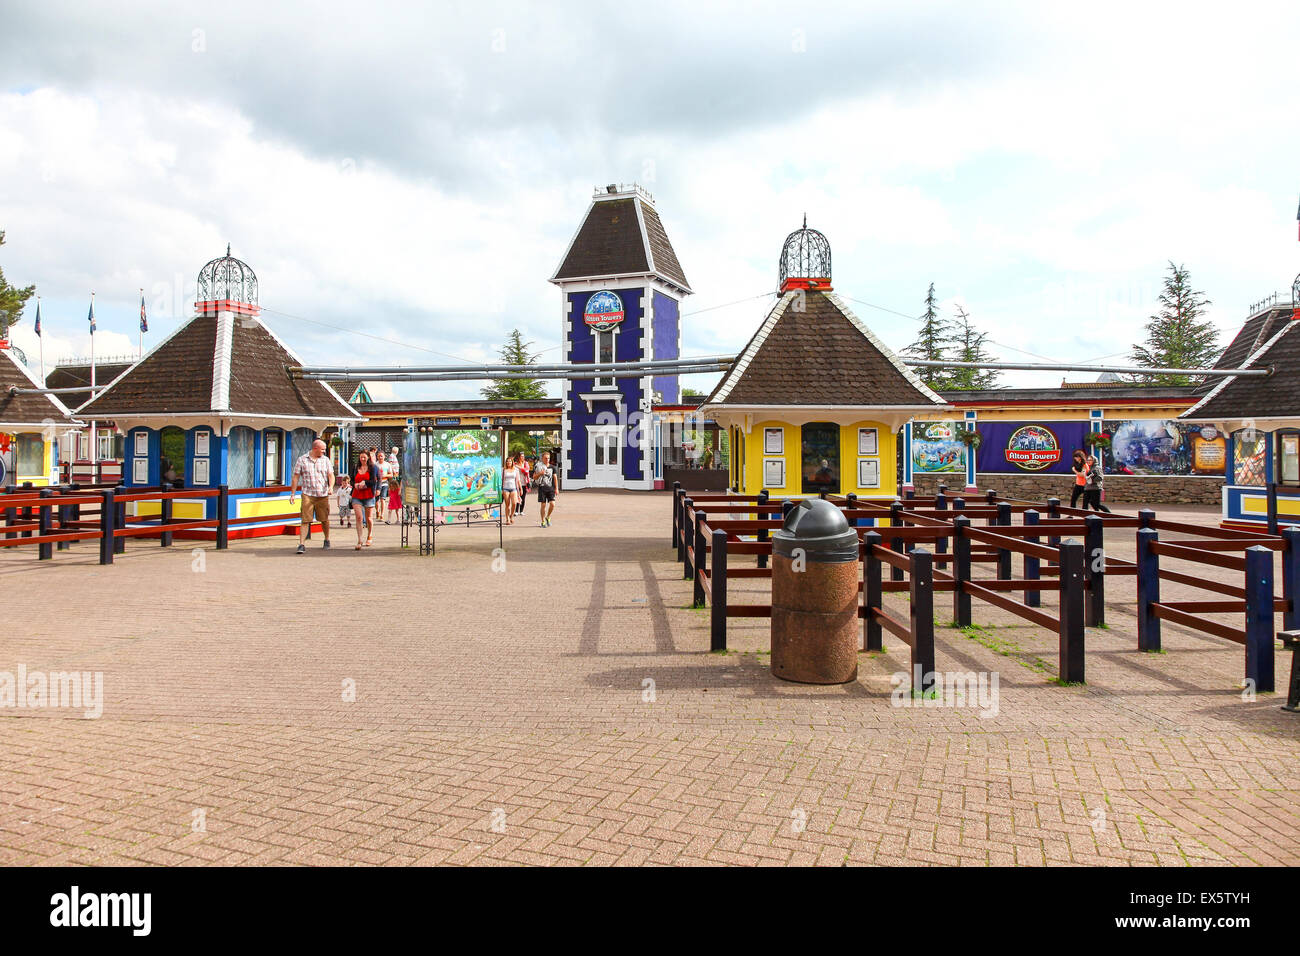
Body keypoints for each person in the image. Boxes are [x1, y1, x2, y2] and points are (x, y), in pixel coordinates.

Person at [289, 438, 334, 553]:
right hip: (308, 494)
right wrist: (293, 493)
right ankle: (301, 544)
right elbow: (296, 477)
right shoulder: (302, 460)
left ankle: (327, 539)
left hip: (322, 494)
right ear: (315, 448)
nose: (324, 452)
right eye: (322, 450)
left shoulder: (326, 460)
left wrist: (331, 486)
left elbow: (331, 475)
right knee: (305, 520)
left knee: (324, 519)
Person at [350, 450, 378, 548]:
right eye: (361, 457)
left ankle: (369, 536)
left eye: (364, 457)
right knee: (359, 517)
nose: (362, 459)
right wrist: (355, 484)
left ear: (368, 458)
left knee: (369, 518)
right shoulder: (355, 467)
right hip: (356, 494)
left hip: (368, 495)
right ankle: (359, 540)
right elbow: (351, 480)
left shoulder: (373, 468)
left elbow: (374, 481)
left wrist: (365, 483)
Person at [533, 451, 556, 527]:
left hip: (550, 488)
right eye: (545, 458)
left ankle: (548, 516)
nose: (547, 460)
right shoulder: (538, 467)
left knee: (552, 504)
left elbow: (555, 478)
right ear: (542, 458)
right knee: (543, 505)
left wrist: (556, 488)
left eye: (548, 458)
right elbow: (534, 477)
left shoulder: (552, 467)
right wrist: (540, 473)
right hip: (542, 488)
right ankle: (543, 521)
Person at [386, 447, 402, 524]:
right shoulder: (392, 456)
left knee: (396, 510)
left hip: (395, 473)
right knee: (392, 510)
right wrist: (393, 472)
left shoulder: (393, 455)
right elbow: (390, 464)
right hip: (394, 473)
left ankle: (397, 520)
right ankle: (389, 520)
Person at [501, 454, 518, 525]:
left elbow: (517, 480)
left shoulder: (515, 470)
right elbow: (502, 480)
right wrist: (501, 489)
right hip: (506, 488)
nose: (508, 463)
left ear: (512, 462)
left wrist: (519, 489)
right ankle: (507, 519)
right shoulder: (504, 470)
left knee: (514, 503)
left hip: (513, 488)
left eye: (510, 461)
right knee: (507, 505)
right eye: (507, 461)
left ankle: (511, 515)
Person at [373, 451, 388, 522]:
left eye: (381, 456)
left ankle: (382, 514)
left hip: (384, 483)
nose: (380, 457)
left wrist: (384, 476)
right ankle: (377, 511)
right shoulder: (375, 465)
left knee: (383, 499)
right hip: (376, 484)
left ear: (384, 457)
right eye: (379, 456)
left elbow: (391, 474)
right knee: (376, 501)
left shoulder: (387, 465)